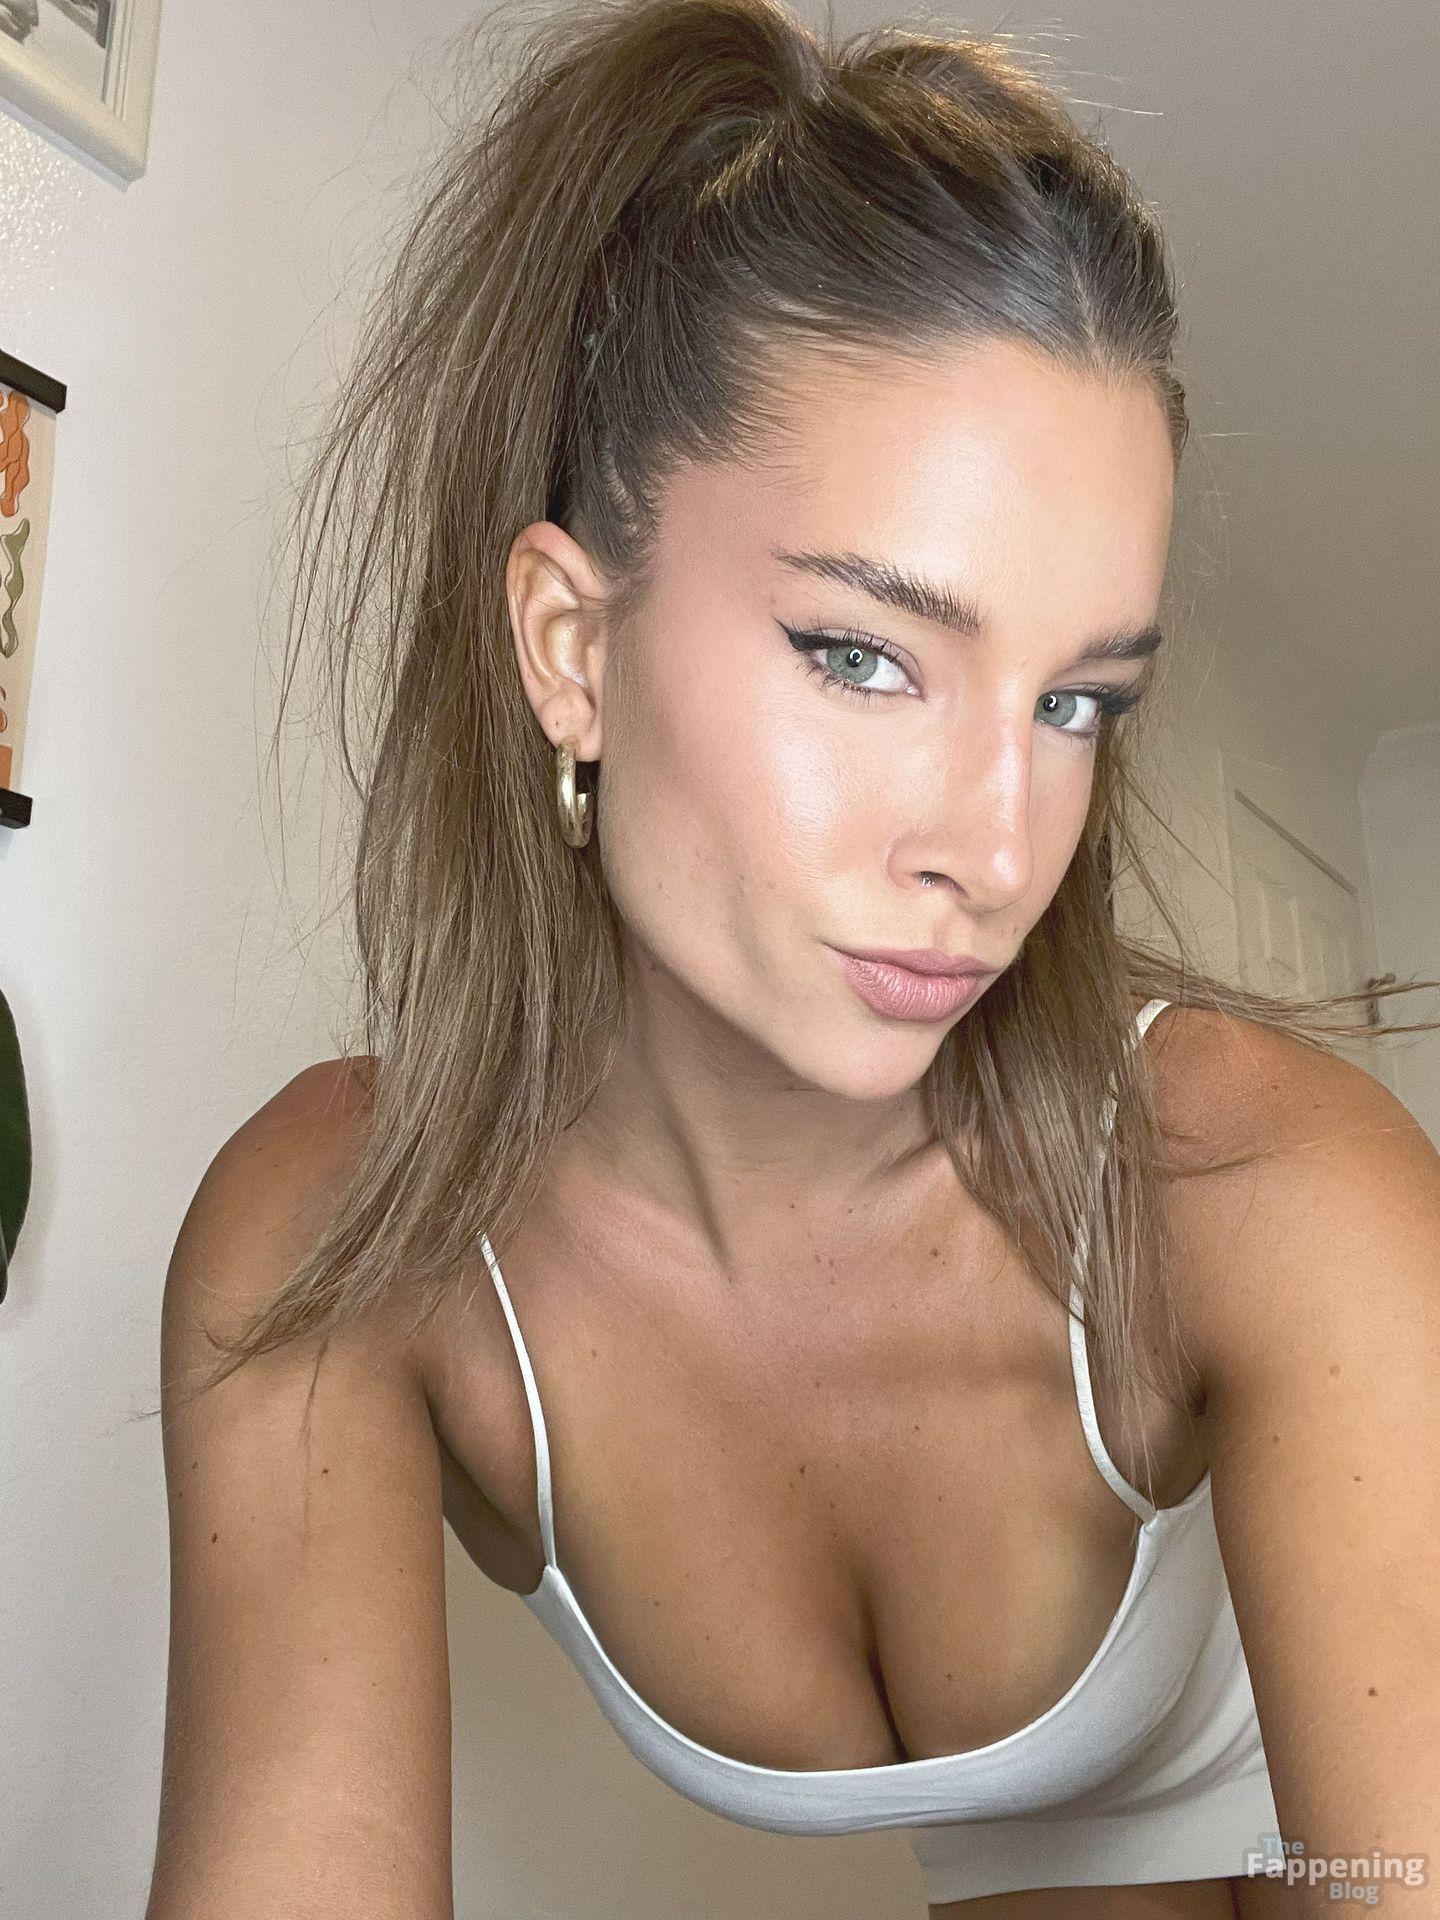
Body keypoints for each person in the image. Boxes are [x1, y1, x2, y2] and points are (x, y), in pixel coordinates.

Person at [143, 1, 1440, 1915]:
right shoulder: (337, 1244)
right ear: (571, 646)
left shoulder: (1269, 1187)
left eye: (1078, 702)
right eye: (865, 656)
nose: (998, 851)